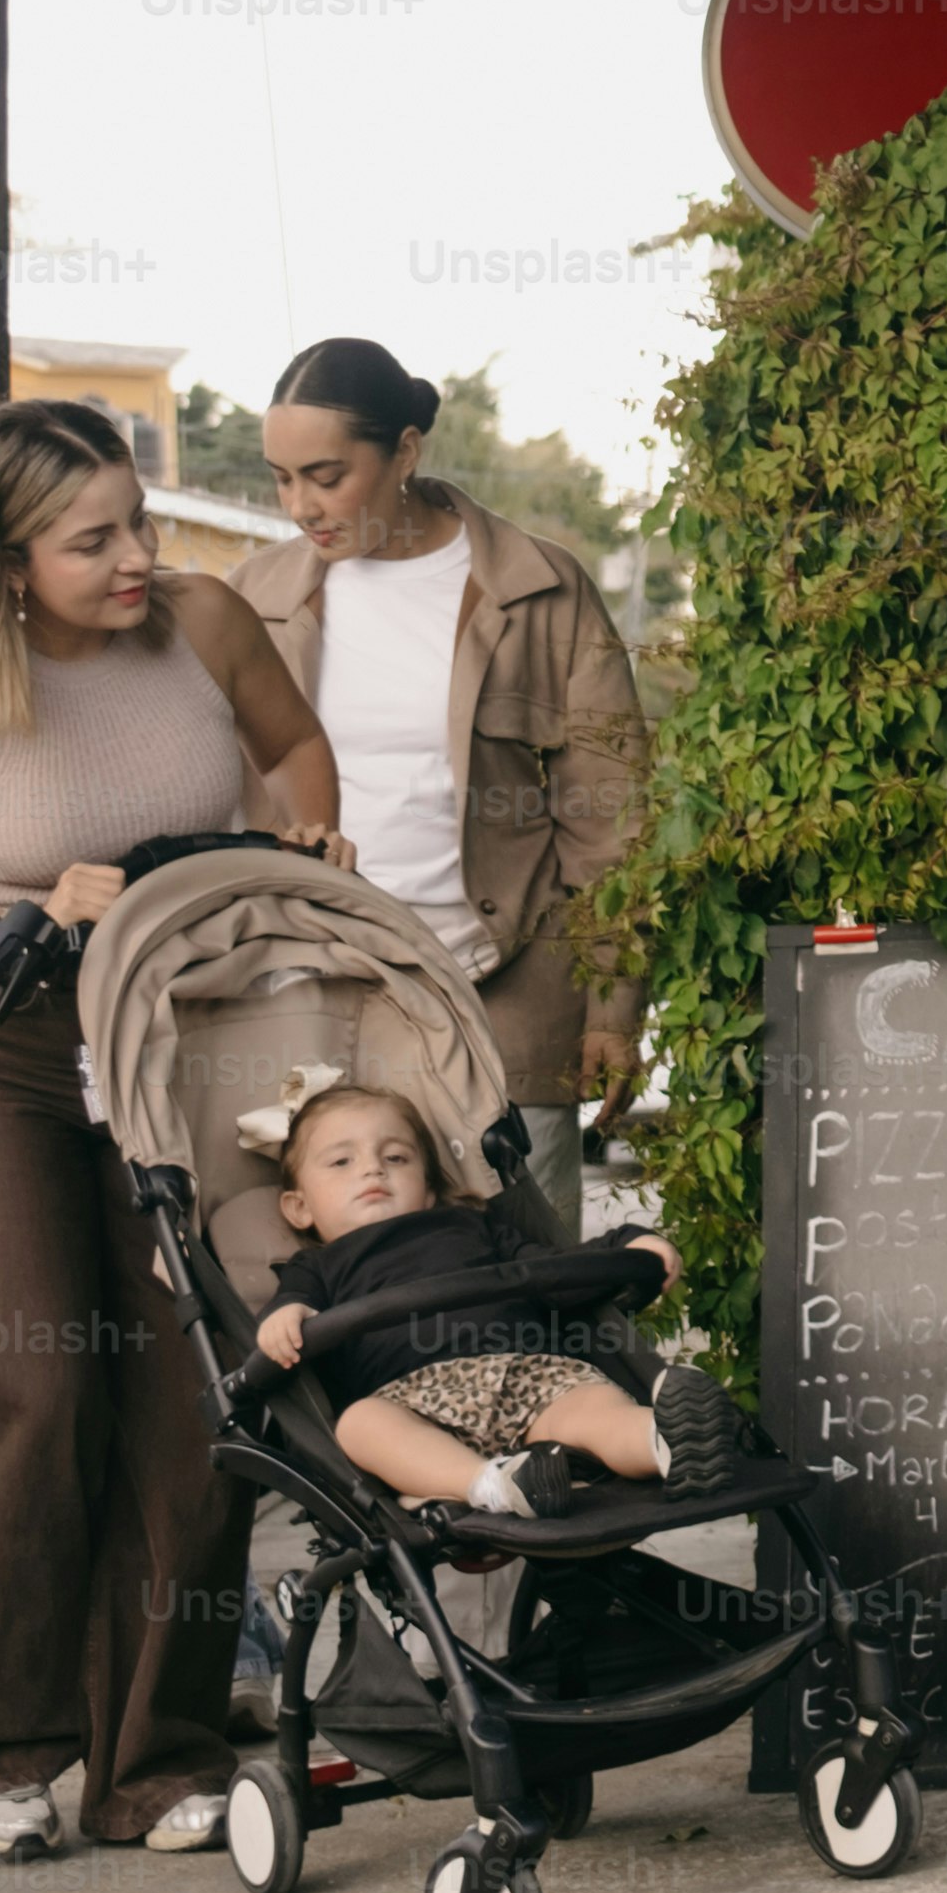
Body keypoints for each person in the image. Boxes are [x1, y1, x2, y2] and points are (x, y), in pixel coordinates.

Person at [0, 397, 347, 1860]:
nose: (137, 556)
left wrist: (301, 836)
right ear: (4, 561)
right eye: (91, 538)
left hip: (182, 1043)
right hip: (5, 1062)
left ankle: (154, 1760)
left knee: (194, 1407)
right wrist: (20, 908)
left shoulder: (201, 622)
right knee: (38, 1395)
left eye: (138, 518)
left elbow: (297, 751)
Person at [235, 338, 649, 1251]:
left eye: (326, 475)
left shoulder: (539, 589)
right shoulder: (251, 600)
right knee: (337, 1293)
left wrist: (616, 1006)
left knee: (527, 1277)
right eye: (280, 480)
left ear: (407, 452)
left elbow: (610, 819)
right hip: (316, 997)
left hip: (508, 1002)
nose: (300, 505)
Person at [243, 1075, 730, 1514]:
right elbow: (288, 1313)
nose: (372, 1170)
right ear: (299, 1207)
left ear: (430, 1189)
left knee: (593, 1405)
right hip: (410, 1402)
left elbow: (552, 1270)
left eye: (395, 1157)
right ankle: (492, 1484)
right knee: (360, 1426)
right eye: (342, 1161)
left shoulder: (473, 1225)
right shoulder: (318, 1266)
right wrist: (284, 1317)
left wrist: (626, 1246)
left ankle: (667, 1440)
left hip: (524, 1372)